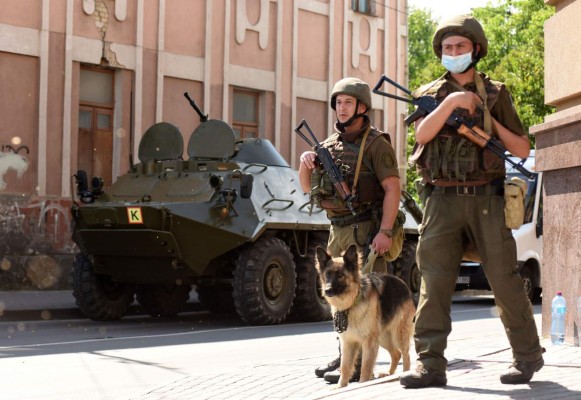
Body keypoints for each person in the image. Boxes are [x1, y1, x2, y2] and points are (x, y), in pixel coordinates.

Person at [399, 15, 544, 388]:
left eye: (460, 47)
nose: (453, 53)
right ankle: (430, 364)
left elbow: (521, 147)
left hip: (486, 197)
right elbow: (422, 134)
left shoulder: (496, 93)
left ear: (475, 50)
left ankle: (527, 357)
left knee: (505, 280)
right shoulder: (429, 93)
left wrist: (484, 117)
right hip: (441, 199)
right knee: (434, 282)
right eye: (447, 48)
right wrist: (453, 104)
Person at [299, 77, 401, 383]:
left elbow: (392, 189)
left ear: (362, 107)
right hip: (338, 231)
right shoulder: (328, 147)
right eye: (338, 103)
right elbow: (308, 189)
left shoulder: (376, 144)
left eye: (348, 103)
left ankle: (361, 366)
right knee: (340, 299)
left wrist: (385, 231)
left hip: (367, 231)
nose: (342, 109)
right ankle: (346, 356)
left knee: (366, 301)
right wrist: (305, 164)